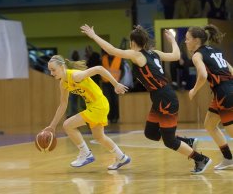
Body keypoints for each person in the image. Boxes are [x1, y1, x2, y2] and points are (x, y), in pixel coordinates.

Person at [80, 24, 211, 174]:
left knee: (169, 141)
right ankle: (187, 142)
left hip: (165, 98)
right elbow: (175, 56)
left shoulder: (137, 55)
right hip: (160, 97)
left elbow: (112, 50)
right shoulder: (153, 53)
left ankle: (200, 159)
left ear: (132, 43)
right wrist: (173, 40)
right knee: (151, 133)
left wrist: (93, 35)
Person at [44, 55, 131, 170]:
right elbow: (63, 104)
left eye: (53, 70)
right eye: (50, 70)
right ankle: (122, 157)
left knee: (68, 125)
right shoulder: (63, 84)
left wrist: (115, 84)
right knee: (99, 137)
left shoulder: (75, 76)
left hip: (98, 105)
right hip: (95, 106)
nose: (51, 73)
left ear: (62, 67)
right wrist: (52, 126)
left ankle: (86, 153)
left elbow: (99, 69)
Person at [185, 24, 233, 170]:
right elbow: (231, 70)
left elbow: (203, 75)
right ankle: (228, 158)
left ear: (196, 40)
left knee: (231, 130)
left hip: (224, 92)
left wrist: (193, 90)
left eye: (187, 39)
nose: (185, 42)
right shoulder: (215, 51)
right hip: (224, 91)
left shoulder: (197, 55)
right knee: (210, 125)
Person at [101, 50, 124, 123]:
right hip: (106, 83)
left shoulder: (119, 58)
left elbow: (123, 70)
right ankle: (108, 118)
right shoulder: (103, 58)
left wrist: (119, 80)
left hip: (115, 83)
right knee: (107, 100)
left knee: (115, 100)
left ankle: (116, 117)